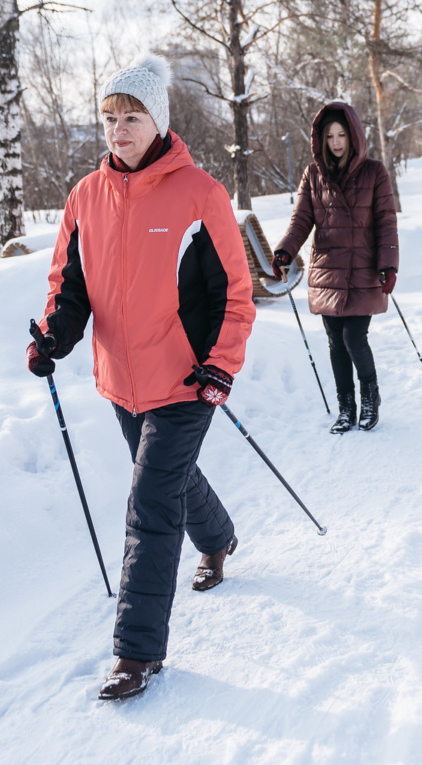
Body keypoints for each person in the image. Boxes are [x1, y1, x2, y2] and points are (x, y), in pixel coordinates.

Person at [26, 54, 255, 701]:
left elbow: (235, 294)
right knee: (172, 478)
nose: (117, 128)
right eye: (109, 117)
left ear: (158, 122)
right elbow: (68, 288)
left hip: (187, 378)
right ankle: (219, 539)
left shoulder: (199, 196)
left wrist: (221, 362)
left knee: (150, 502)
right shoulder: (85, 197)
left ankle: (136, 652)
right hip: (123, 378)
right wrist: (53, 338)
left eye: (131, 116)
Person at [273, 101, 399, 434]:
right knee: (335, 341)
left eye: (342, 134)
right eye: (330, 136)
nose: (337, 142)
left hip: (362, 269)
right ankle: (347, 407)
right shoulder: (314, 174)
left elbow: (386, 221)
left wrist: (388, 264)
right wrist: (285, 251)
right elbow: (301, 219)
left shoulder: (374, 172)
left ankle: (370, 397)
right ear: (321, 139)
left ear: (354, 134)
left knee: (354, 337)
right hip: (327, 269)